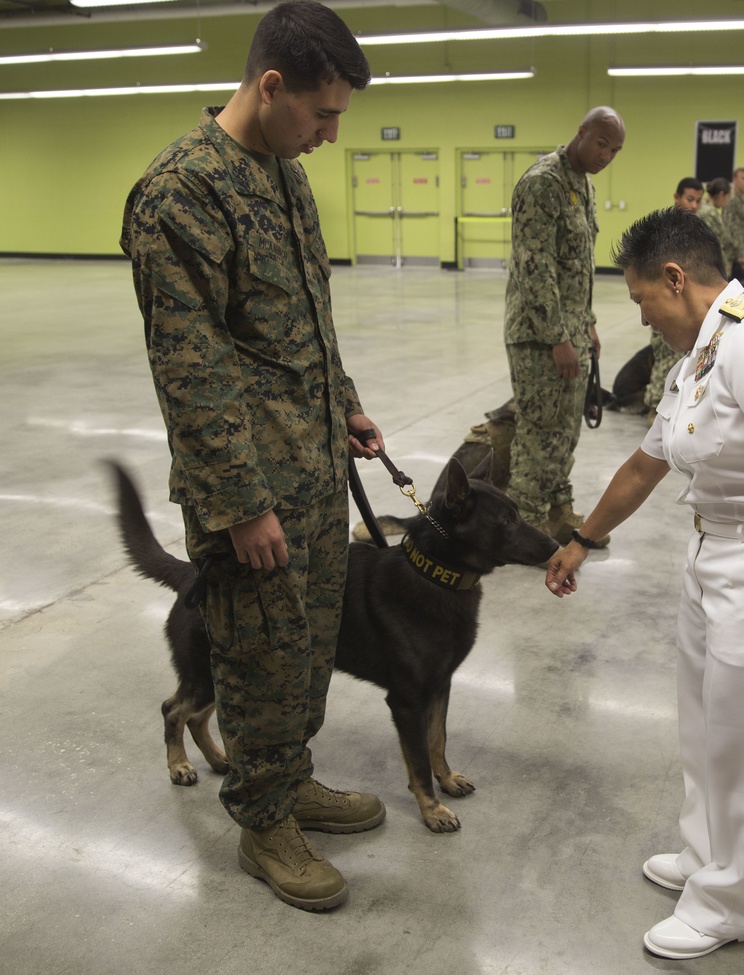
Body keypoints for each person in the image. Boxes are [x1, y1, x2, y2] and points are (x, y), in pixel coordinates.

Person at [120, 0, 386, 913]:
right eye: (323, 113)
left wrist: (344, 405)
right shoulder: (182, 194)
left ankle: (290, 777)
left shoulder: (282, 171)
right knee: (260, 650)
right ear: (271, 86)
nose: (330, 132)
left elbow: (307, 316)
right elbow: (188, 369)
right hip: (253, 491)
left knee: (308, 644)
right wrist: (239, 502)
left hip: (313, 469)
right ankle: (262, 818)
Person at [545, 207, 744, 960]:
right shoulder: (699, 356)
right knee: (706, 724)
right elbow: (647, 462)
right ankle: (703, 850)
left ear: (676, 280)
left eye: (642, 299)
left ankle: (733, 901)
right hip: (714, 557)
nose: (641, 314)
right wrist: (584, 538)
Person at [504, 106, 626, 546]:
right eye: (601, 143)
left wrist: (587, 325)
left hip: (571, 330)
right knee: (539, 430)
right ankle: (526, 522)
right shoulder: (543, 183)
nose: (606, 155)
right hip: (539, 336)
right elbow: (535, 269)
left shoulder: (583, 186)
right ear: (581, 132)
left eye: (614, 150)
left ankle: (558, 509)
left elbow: (577, 268)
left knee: (566, 428)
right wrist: (557, 337)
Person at [643, 178, 704, 417]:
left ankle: (679, 406)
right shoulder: (663, 231)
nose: (694, 205)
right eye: (690, 199)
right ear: (677, 197)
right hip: (665, 303)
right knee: (664, 356)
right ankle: (654, 408)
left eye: (699, 200)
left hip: (689, 305)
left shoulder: (698, 231)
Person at [723, 166, 744, 288]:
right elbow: (729, 228)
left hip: (743, 253)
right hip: (733, 255)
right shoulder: (731, 198)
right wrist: (740, 253)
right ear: (735, 179)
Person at [699, 176, 733, 276]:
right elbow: (714, 241)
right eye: (728, 197)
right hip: (711, 262)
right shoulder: (709, 212)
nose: (728, 201)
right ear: (722, 194)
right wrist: (724, 262)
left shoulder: (704, 207)